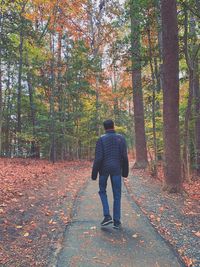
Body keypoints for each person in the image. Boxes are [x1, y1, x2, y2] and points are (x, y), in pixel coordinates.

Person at [91, 119, 129, 229]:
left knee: (102, 191)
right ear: (113, 126)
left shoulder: (101, 139)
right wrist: (125, 172)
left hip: (104, 170)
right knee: (117, 194)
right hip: (117, 170)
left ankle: (107, 216)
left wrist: (94, 174)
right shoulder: (121, 139)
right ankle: (117, 221)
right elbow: (124, 157)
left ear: (104, 128)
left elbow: (98, 158)